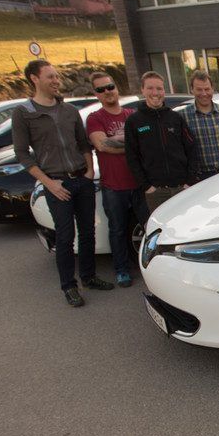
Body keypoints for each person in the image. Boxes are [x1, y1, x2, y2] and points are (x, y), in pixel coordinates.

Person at [12, 59, 114, 307]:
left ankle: (89, 277)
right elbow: (22, 154)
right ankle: (69, 286)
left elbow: (82, 143)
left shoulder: (68, 110)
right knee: (65, 237)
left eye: (57, 76)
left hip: (82, 179)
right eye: (50, 76)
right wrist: (49, 183)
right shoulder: (24, 113)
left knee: (88, 232)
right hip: (57, 185)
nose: (56, 81)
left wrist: (89, 171)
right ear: (34, 79)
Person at [86, 71, 148, 288]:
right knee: (118, 230)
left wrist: (116, 140)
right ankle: (121, 270)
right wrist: (130, 143)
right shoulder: (95, 118)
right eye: (101, 89)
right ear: (96, 94)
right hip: (114, 187)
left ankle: (151, 267)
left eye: (110, 86)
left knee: (149, 227)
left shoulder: (132, 114)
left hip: (139, 183)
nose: (107, 92)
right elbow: (102, 145)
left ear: (116, 88)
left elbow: (144, 143)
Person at [124, 71, 197, 213]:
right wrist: (147, 186)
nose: (155, 93)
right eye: (150, 88)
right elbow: (131, 156)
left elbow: (192, 148)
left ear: (164, 91)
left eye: (159, 88)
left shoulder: (175, 118)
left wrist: (189, 181)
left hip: (181, 188)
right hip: (156, 192)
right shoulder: (134, 121)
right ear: (142, 90)